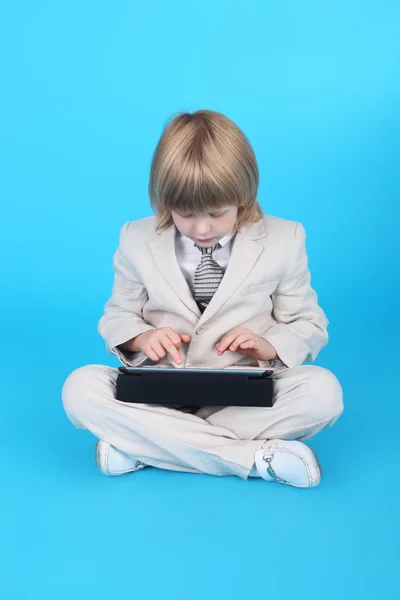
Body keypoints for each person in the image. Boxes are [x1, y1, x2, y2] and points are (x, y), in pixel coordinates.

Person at [62, 109, 343, 488]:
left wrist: (268, 345)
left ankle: (145, 444)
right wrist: (141, 338)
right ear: (164, 201)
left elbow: (309, 324)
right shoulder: (135, 237)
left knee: (324, 394)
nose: (202, 228)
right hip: (160, 391)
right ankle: (256, 458)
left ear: (243, 195)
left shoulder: (285, 239)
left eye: (216, 213)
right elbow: (118, 315)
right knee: (79, 388)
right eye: (186, 214)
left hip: (243, 396)